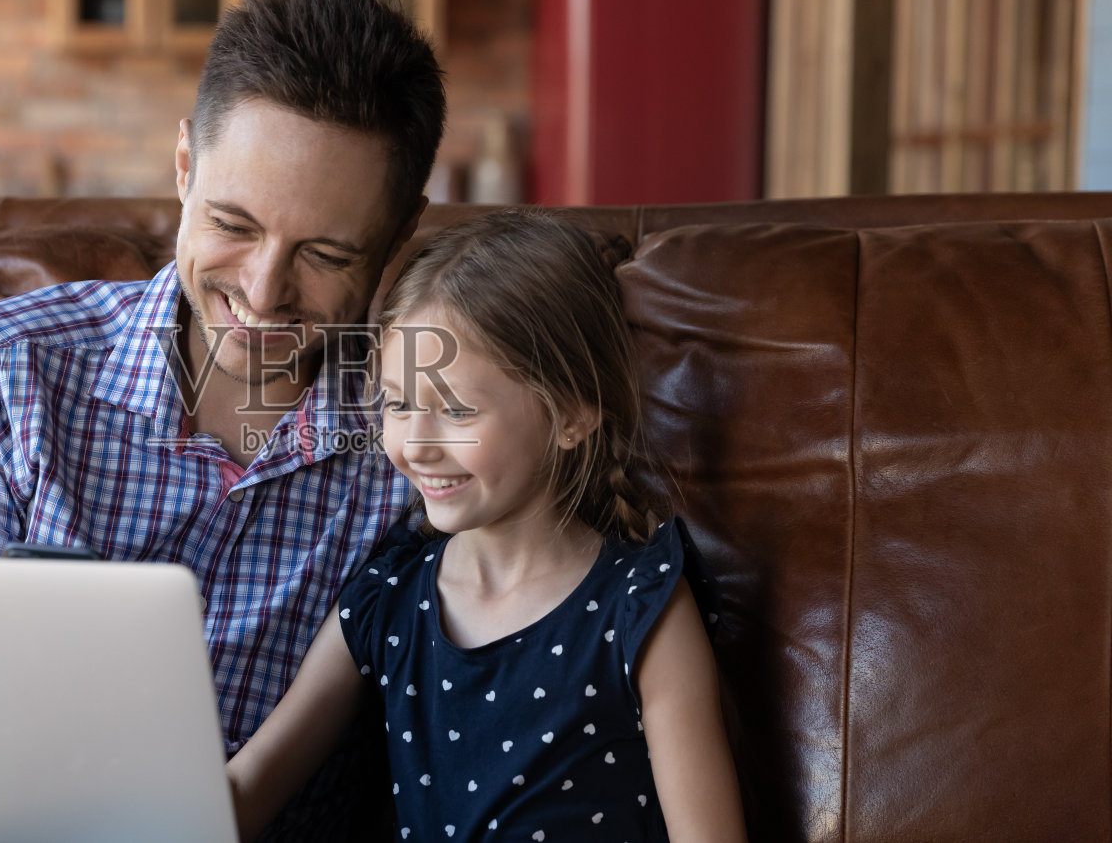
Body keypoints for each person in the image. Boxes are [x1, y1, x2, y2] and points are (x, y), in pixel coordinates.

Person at [0, 0, 445, 840]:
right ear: (183, 168)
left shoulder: (424, 446)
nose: (263, 291)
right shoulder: (1, 368)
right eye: (235, 224)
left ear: (399, 238)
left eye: (325, 253)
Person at [226, 210, 747, 842]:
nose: (415, 443)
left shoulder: (641, 606)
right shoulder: (386, 594)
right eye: (397, 403)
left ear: (572, 417)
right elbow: (250, 786)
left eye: (456, 408)